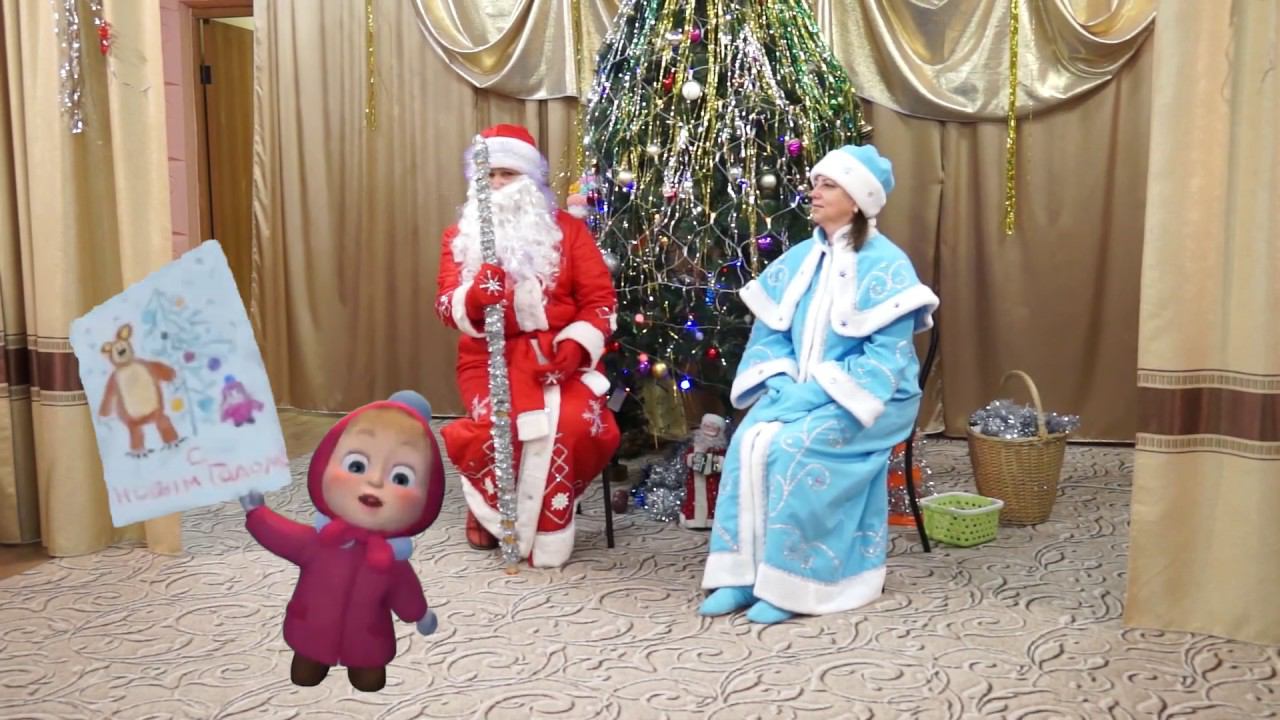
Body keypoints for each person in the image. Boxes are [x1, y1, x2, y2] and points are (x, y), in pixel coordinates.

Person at [698, 144, 939, 624]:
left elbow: (886, 360)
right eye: (815, 183)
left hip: (874, 400)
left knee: (796, 447)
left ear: (857, 199)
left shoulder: (888, 264)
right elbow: (770, 334)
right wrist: (781, 383)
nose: (814, 192)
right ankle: (742, 576)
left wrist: (816, 393)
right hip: (798, 391)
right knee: (748, 439)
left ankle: (798, 584)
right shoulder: (800, 258)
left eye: (828, 185)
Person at [435, 123, 621, 568]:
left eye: (509, 174)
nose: (498, 183)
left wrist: (575, 348)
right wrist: (475, 298)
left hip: (560, 356)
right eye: (490, 175)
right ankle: (492, 507)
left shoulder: (568, 232)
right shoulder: (459, 237)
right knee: (497, 427)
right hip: (488, 359)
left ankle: (550, 517)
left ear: (530, 180)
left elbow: (600, 300)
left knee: (574, 423)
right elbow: (445, 305)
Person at [239, 390, 445, 692]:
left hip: (368, 640)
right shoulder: (317, 543)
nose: (374, 482)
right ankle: (314, 663)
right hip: (310, 630)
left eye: (401, 478)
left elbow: (406, 592)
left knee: (370, 683)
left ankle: (362, 670)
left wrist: (419, 615)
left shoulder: (390, 562)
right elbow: (280, 534)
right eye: (357, 466)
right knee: (304, 677)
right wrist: (257, 513)